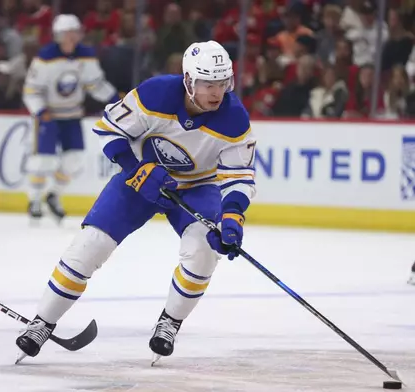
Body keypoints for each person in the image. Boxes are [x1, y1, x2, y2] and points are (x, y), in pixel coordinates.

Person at [15, 40, 257, 364]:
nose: (216, 92)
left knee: (203, 252)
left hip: (197, 187)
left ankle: (170, 322)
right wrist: (137, 168)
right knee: (90, 244)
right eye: (207, 83)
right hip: (137, 180)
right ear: (188, 80)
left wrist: (232, 218)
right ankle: (42, 322)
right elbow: (108, 130)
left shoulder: (235, 120)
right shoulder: (155, 94)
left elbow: (238, 177)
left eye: (222, 84)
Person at [23, 14, 119, 223]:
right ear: (59, 35)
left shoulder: (86, 55)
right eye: (69, 33)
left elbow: (95, 83)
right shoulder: (45, 57)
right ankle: (35, 200)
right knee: (43, 160)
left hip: (72, 115)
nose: (73, 37)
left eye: (76, 32)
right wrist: (41, 111)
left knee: (74, 159)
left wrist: (115, 100)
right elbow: (31, 90)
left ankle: (54, 195)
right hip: (48, 116)